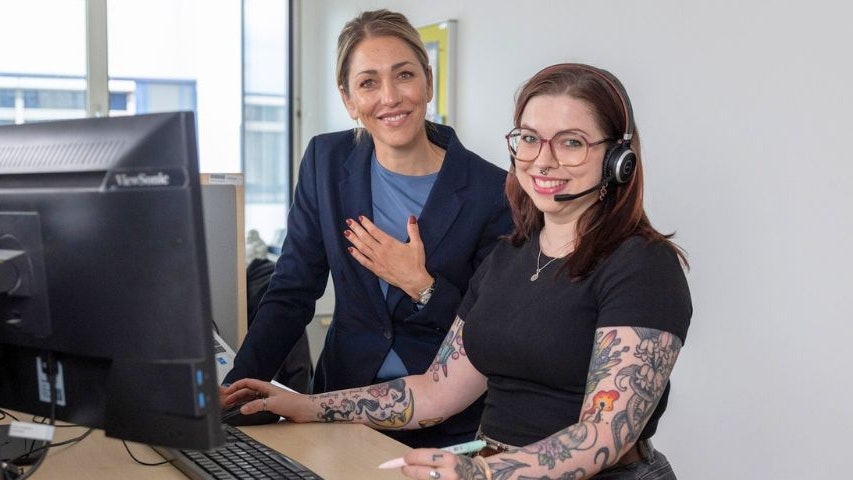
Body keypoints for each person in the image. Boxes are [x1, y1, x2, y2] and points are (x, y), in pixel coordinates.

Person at [224, 62, 692, 479]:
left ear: (618, 160)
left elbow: (604, 434)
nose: (543, 160)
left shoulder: (642, 265)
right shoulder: (509, 256)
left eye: (571, 143)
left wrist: (483, 472)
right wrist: (307, 406)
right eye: (529, 138)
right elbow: (434, 392)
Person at [223, 9, 513, 449]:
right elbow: (292, 290)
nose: (390, 97)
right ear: (348, 99)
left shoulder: (492, 191)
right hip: (336, 409)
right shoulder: (325, 161)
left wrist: (423, 286)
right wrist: (235, 390)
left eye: (404, 75)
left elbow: (490, 332)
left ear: (428, 82)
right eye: (368, 82)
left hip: (442, 426)